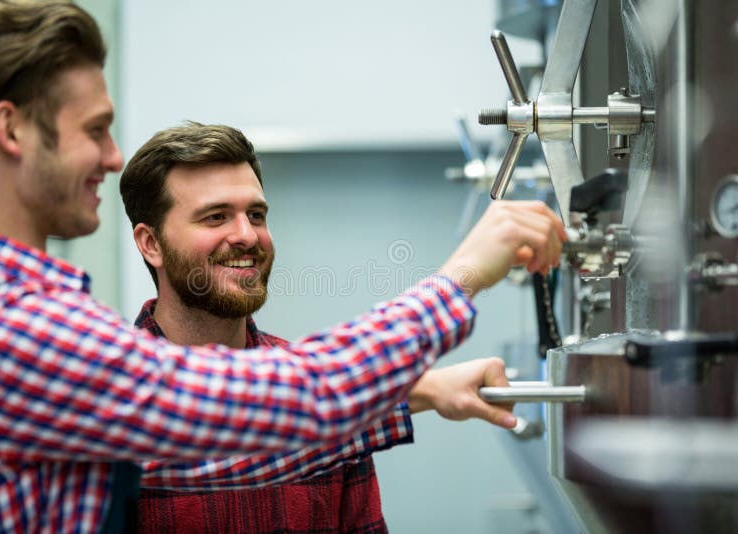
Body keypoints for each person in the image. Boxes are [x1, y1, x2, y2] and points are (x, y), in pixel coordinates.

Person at [0, 1, 566, 532]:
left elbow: (234, 424)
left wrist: (412, 390)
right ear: (11, 130)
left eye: (256, 213)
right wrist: (459, 278)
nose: (112, 155)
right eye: (96, 129)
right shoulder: (6, 328)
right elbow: (267, 407)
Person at [120, 122, 532, 533]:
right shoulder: (112, 391)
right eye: (215, 217)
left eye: (257, 215)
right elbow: (212, 436)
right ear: (151, 243)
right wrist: (459, 286)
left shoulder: (334, 397)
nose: (247, 235)